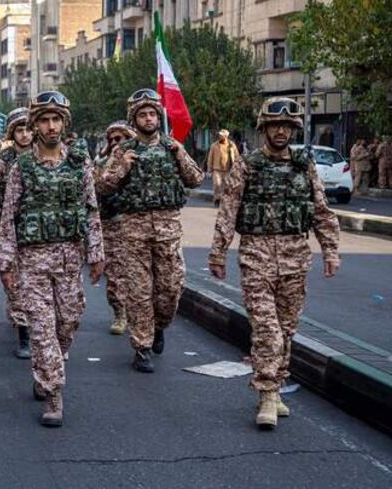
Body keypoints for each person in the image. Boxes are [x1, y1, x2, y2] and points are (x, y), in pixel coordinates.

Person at [208, 97, 340, 430]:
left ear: (294, 128)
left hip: (296, 258)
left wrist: (331, 250)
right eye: (274, 125)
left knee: (287, 330)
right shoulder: (247, 165)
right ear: (263, 128)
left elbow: (321, 210)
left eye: (286, 125)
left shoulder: (304, 165)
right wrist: (218, 252)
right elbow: (229, 211)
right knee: (267, 330)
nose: (280, 131)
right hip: (256, 257)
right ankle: (266, 395)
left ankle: (276, 386)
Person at [0, 91, 105, 427]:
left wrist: (97, 253)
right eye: (44, 119)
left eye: (56, 119)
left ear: (64, 123)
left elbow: (91, 210)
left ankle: (46, 369)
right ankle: (53, 395)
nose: (51, 125)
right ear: (35, 124)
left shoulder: (79, 163)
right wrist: (6, 261)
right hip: (33, 261)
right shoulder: (21, 167)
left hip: (70, 259)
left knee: (67, 323)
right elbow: (9, 215)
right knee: (42, 329)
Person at [98, 89, 204, 373]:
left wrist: (181, 154)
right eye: (142, 114)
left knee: (170, 289)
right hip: (133, 231)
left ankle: (159, 326)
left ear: (159, 117)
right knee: (139, 291)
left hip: (168, 229)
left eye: (152, 114)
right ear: (135, 119)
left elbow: (196, 179)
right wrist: (122, 168)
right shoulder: (123, 151)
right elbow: (102, 186)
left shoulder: (172, 147)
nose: (148, 118)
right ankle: (141, 347)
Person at [0, 107, 33, 358]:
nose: (25, 135)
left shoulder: (45, 156)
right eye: (19, 130)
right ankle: (24, 332)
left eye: (28, 129)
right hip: (8, 226)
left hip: (38, 229)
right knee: (13, 280)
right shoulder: (3, 160)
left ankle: (32, 319)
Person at [94, 120, 136, 336]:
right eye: (110, 140)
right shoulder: (104, 162)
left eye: (118, 139)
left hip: (138, 223)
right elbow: (97, 185)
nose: (114, 143)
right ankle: (120, 313)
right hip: (112, 223)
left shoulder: (142, 157)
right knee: (115, 275)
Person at [206, 129, 239, 205]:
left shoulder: (231, 145)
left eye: (222, 135)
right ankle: (217, 199)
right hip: (217, 169)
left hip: (228, 169)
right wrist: (209, 169)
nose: (220, 136)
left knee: (226, 186)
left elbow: (237, 156)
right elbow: (210, 157)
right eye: (219, 135)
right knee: (217, 184)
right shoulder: (214, 145)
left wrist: (237, 168)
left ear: (226, 136)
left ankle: (224, 200)